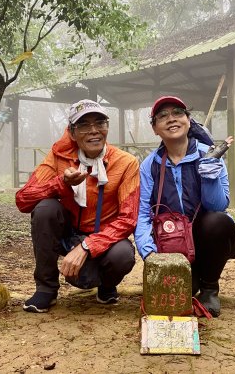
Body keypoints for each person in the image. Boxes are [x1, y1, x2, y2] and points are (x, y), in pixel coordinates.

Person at [16, 99, 140, 313]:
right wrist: (60, 184)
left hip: (104, 238)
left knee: (123, 254)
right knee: (45, 209)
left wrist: (86, 247)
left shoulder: (126, 162)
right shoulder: (59, 157)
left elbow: (128, 218)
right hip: (68, 233)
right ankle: (46, 288)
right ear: (72, 133)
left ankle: (107, 286)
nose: (94, 131)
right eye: (84, 125)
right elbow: (23, 200)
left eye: (100, 123)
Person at [134, 96, 235, 317]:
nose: (171, 119)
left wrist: (209, 173)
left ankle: (210, 288)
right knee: (185, 291)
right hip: (172, 242)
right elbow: (143, 212)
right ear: (155, 128)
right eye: (162, 116)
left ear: (189, 120)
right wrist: (148, 253)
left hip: (206, 237)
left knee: (217, 221)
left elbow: (218, 205)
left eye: (177, 113)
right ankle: (194, 280)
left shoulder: (210, 154)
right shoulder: (150, 166)